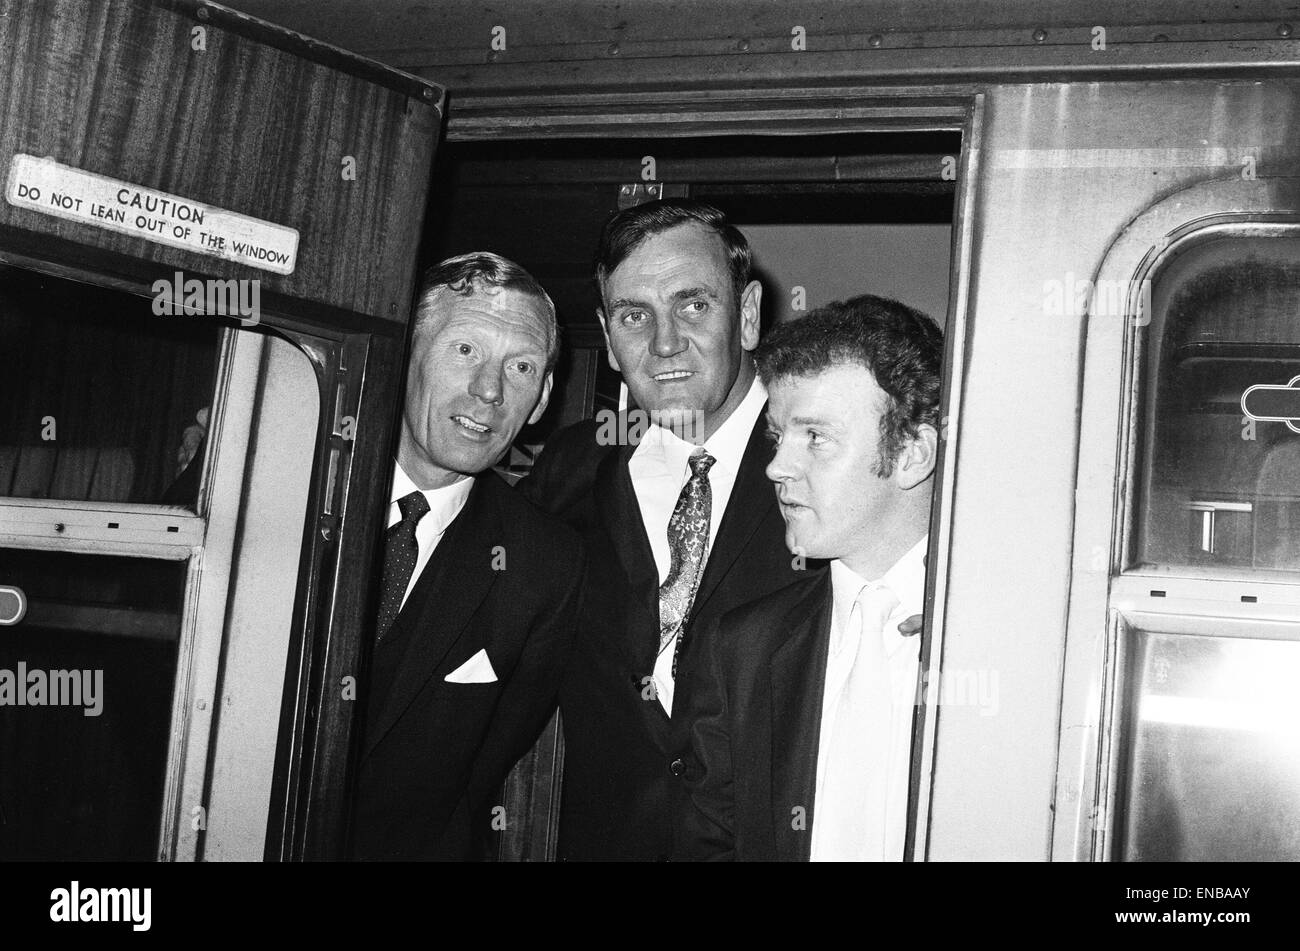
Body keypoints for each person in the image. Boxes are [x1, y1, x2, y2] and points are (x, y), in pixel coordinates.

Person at [518, 200, 813, 861]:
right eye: (633, 315)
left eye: (693, 305)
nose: (664, 342)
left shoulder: (829, 460)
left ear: (747, 314)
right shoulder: (570, 470)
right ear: (607, 334)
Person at [675, 294, 942, 862]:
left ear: (912, 455)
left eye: (815, 437)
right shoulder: (742, 647)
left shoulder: (1017, 640)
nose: (776, 466)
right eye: (778, 437)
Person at [351, 252, 585, 861]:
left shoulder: (545, 570)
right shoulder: (271, 470)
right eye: (465, 350)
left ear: (541, 400)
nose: (489, 390)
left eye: (522, 366)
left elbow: (477, 778)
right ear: (405, 354)